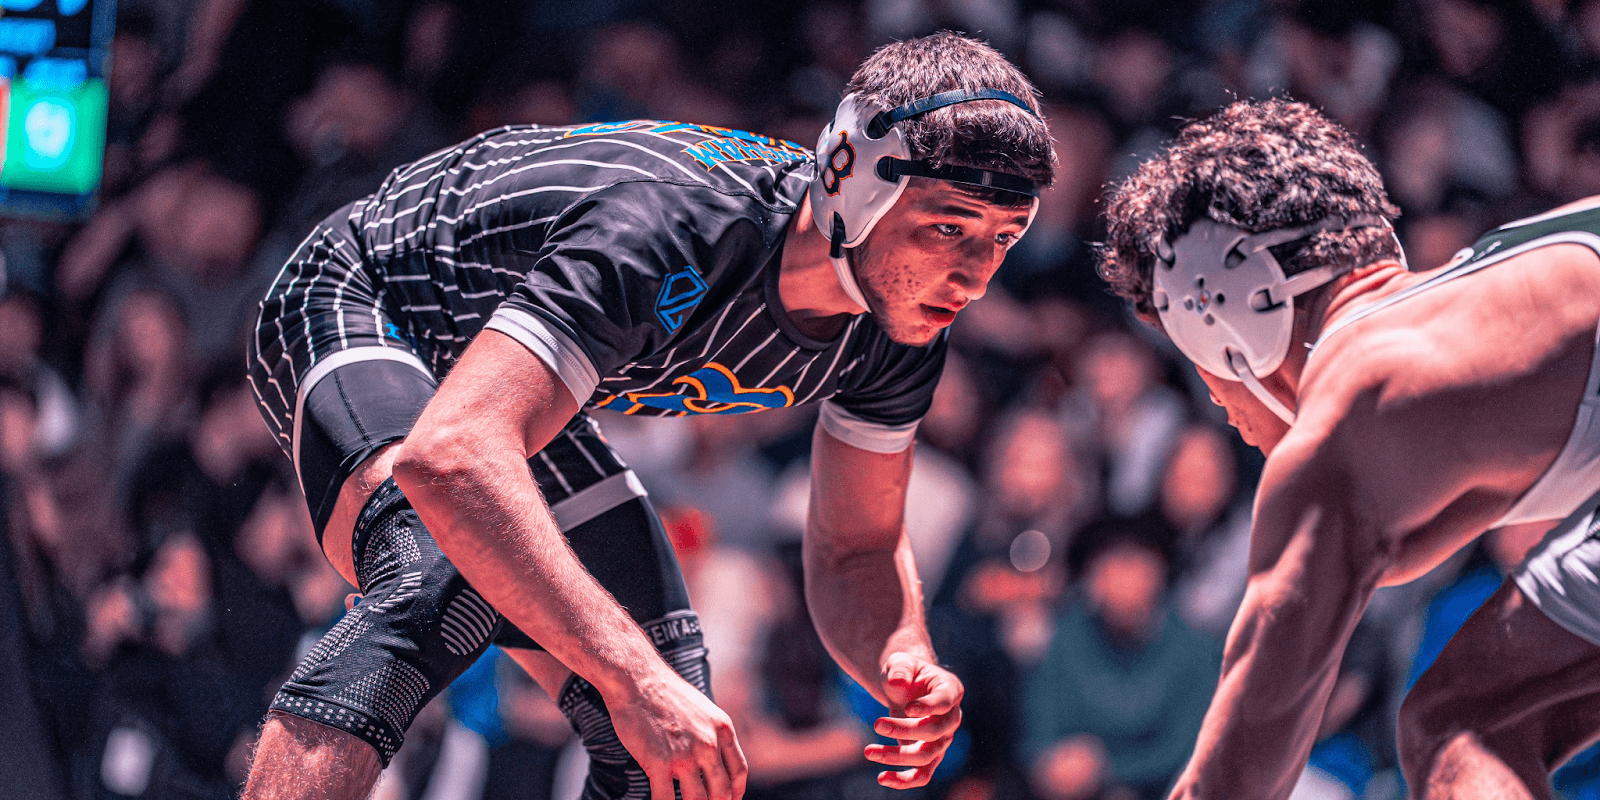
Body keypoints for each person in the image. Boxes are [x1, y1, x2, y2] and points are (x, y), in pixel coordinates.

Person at [241, 31, 1056, 800]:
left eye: (1004, 238)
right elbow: (450, 456)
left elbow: (856, 546)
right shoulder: (671, 227)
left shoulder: (901, 328)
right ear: (858, 184)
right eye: (949, 227)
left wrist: (902, 652)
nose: (976, 276)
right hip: (371, 300)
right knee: (439, 574)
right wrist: (632, 678)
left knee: (676, 751)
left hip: (503, 387)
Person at [1097, 97, 1600, 799]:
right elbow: (1386, 559)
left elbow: (1236, 773)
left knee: (1462, 730)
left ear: (1228, 314)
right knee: (1472, 716)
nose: (1214, 397)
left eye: (1197, 359)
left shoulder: (1352, 402)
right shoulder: (1488, 295)